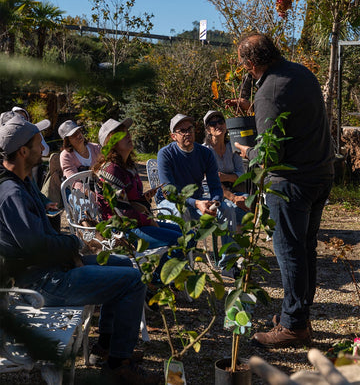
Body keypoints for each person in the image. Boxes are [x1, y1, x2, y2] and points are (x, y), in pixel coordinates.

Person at [0, 114, 161, 384]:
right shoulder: (11, 193)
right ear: (23, 151)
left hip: (51, 270)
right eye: (39, 143)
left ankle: (105, 348)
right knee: (133, 281)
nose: (44, 148)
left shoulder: (23, 182)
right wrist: (75, 244)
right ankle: (118, 364)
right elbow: (36, 248)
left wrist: (73, 253)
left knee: (124, 264)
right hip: (41, 284)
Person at [234, 33, 334, 348]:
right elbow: (293, 117)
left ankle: (294, 326)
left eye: (245, 65)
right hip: (321, 174)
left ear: (251, 63)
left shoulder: (269, 91)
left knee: (289, 251)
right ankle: (298, 315)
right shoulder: (302, 73)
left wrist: (245, 152)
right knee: (306, 249)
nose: (246, 71)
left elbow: (268, 155)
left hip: (291, 183)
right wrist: (255, 105)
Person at [156, 113, 240, 279]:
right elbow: (169, 191)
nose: (187, 133)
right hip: (171, 202)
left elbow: (215, 185)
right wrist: (196, 203)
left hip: (199, 202)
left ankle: (228, 264)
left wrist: (215, 202)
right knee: (181, 214)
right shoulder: (165, 154)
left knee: (228, 209)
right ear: (173, 136)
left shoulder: (205, 153)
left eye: (190, 129)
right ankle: (184, 266)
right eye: (182, 131)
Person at [94, 118, 183, 250]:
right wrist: (150, 222)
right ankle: (161, 271)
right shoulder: (111, 170)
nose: (129, 135)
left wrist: (143, 198)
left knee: (189, 234)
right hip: (121, 231)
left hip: (136, 224)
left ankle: (161, 269)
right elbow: (122, 212)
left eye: (128, 132)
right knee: (181, 239)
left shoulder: (127, 166)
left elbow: (130, 201)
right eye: (122, 134)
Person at [203, 110, 248, 230]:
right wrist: (233, 197)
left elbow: (241, 174)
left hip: (233, 188)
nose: (218, 125)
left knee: (247, 200)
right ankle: (231, 244)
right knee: (228, 206)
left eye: (220, 121)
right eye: (213, 124)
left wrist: (224, 177)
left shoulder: (232, 146)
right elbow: (210, 181)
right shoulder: (204, 151)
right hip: (210, 193)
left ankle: (238, 239)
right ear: (208, 130)